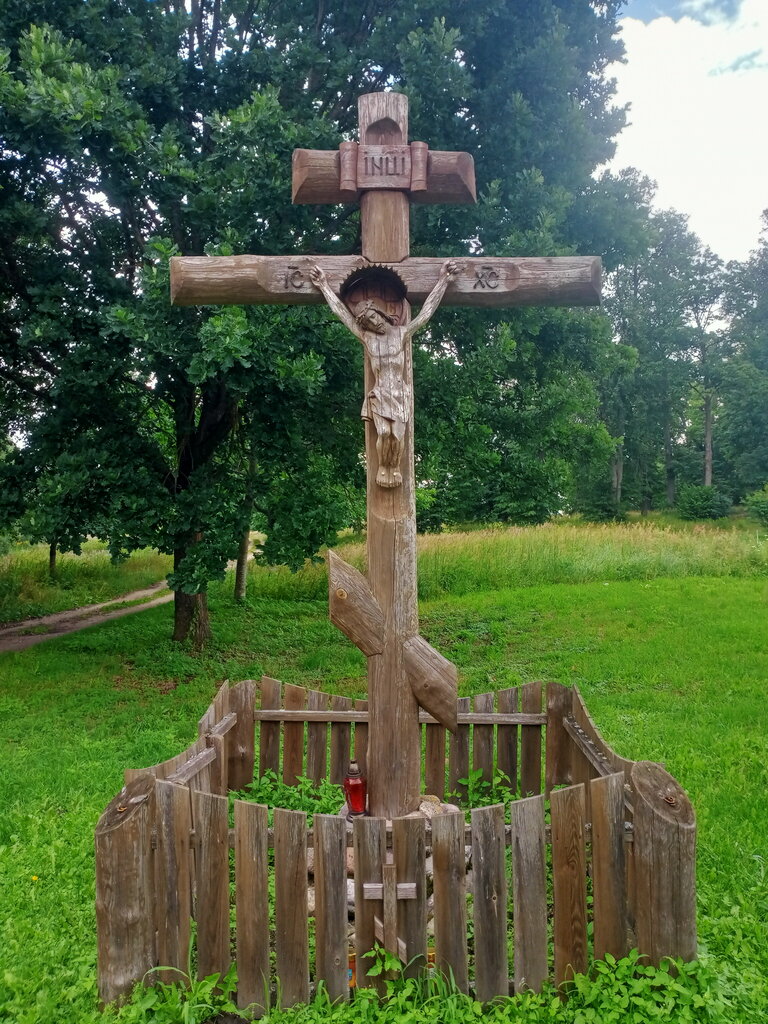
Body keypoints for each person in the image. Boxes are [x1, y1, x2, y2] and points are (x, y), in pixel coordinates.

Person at [310, 260, 459, 487]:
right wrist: (323, 286)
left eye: (374, 318)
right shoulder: (368, 339)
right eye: (368, 322)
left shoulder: (400, 334)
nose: (373, 324)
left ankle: (394, 467)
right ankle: (383, 466)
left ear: (380, 313)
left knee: (397, 436)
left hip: (399, 393)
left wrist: (443, 282)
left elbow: (426, 313)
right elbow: (342, 313)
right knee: (383, 435)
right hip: (380, 393)